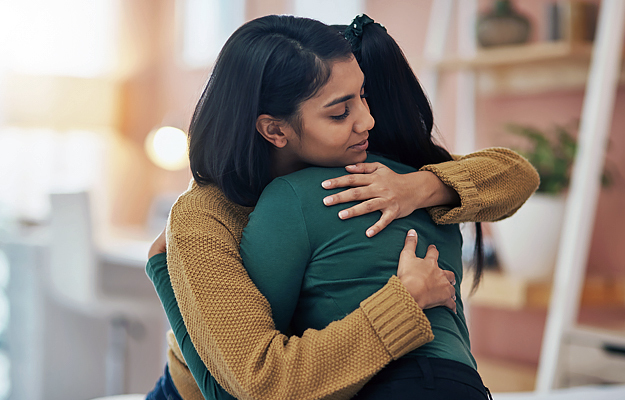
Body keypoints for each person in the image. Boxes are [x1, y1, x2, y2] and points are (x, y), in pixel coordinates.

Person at [145, 14, 539, 400]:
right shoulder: (204, 217)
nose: (367, 120)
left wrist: (417, 187)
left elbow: (516, 175)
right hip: (199, 387)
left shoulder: (364, 172)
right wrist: (406, 299)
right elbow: (258, 381)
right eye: (339, 112)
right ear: (275, 130)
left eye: (362, 95)